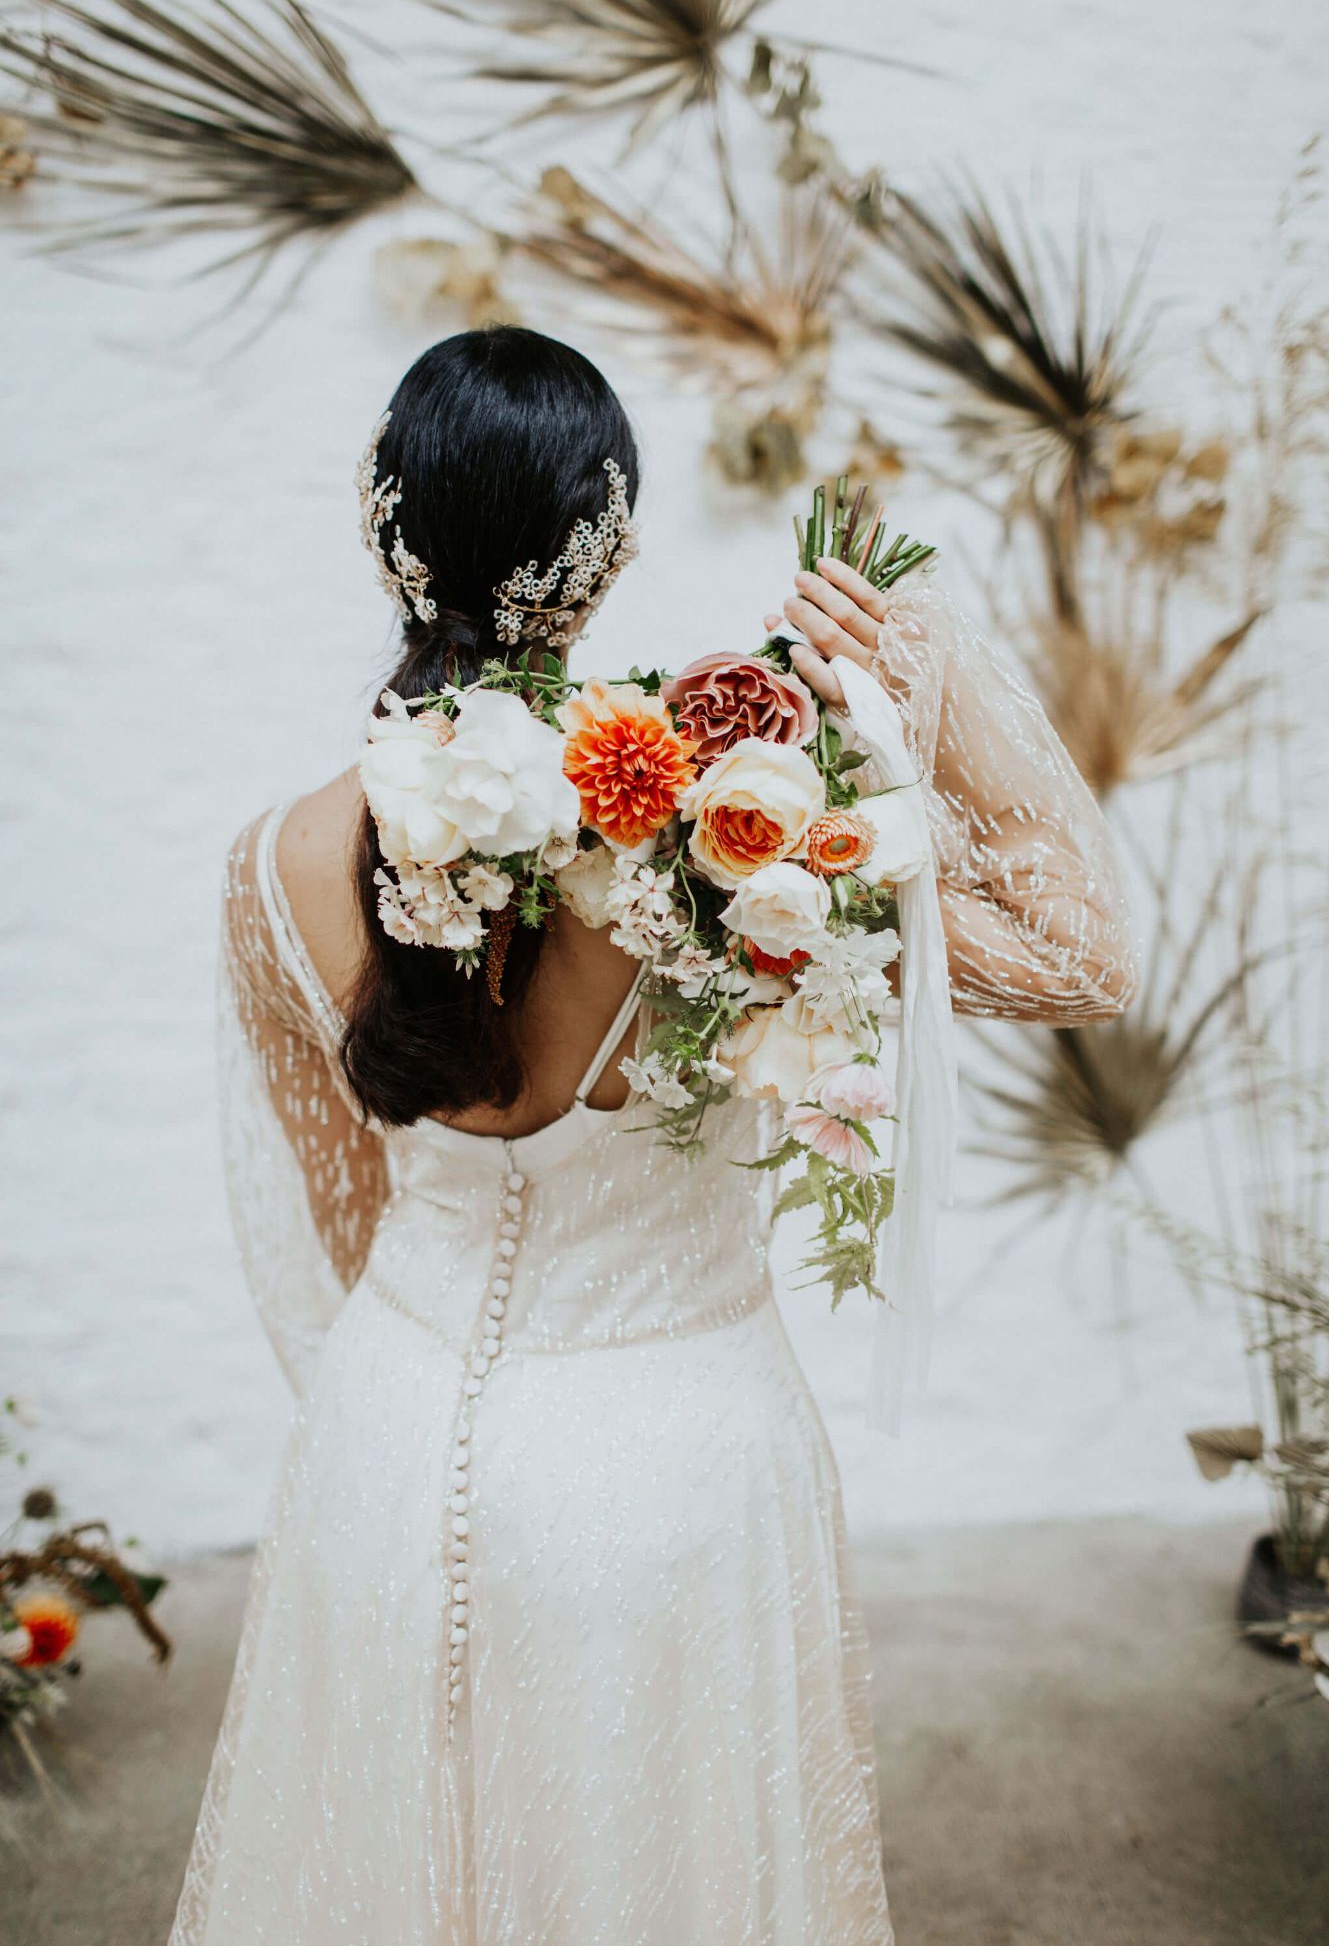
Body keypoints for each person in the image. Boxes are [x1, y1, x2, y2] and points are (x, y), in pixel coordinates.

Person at [169, 327, 1135, 1945]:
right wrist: (927, 666)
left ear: (378, 526)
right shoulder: (710, 836)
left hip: (383, 1456)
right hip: (673, 1478)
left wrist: (402, 1402)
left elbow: (337, 1216)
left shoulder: (269, 861)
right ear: (610, 550)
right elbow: (1081, 948)